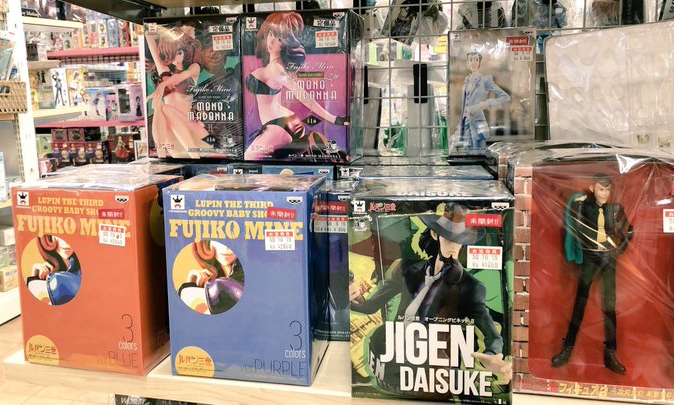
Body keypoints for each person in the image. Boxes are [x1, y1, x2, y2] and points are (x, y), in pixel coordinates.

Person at [350, 203, 512, 394]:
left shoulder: (470, 287)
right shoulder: (406, 268)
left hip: (434, 377)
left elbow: (491, 333)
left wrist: (493, 357)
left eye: (459, 241)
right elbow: (369, 306)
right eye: (449, 239)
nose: (454, 247)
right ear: (435, 235)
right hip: (394, 368)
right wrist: (355, 298)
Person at [551, 173, 633, 374]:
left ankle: (611, 354)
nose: (604, 193)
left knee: (609, 305)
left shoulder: (615, 209)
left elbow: (630, 231)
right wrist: (575, 202)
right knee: (580, 303)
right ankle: (567, 349)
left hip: (608, 258)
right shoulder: (584, 206)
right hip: (589, 257)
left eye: (607, 189)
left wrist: (617, 250)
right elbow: (571, 223)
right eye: (600, 189)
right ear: (592, 188)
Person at [245, 12, 348, 161]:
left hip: (278, 126)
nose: (271, 41)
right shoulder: (275, 67)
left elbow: (305, 98)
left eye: (279, 39)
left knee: (248, 158)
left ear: (286, 44)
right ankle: (313, 144)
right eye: (271, 34)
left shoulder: (277, 69)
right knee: (278, 162)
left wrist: (335, 119)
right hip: (287, 122)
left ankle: (316, 144)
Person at [145, 26, 218, 159]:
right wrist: (165, 32)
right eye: (170, 54)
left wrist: (162, 86)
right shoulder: (164, 71)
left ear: (185, 51)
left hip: (195, 134)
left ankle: (189, 156)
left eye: (178, 52)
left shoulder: (194, 68)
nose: (175, 58)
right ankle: (161, 153)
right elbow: (148, 35)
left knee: (164, 107)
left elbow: (179, 78)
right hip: (174, 139)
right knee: (161, 107)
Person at [457, 52, 510, 150]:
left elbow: (506, 97)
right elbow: (464, 104)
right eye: (471, 60)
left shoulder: (485, 80)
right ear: (468, 62)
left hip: (478, 122)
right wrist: (461, 124)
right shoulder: (467, 81)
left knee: (480, 153)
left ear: (480, 62)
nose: (473, 62)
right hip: (466, 123)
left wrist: (484, 104)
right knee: (468, 154)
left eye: (476, 60)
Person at [178, 240, 244, 315]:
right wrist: (191, 283)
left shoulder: (220, 287)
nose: (226, 248)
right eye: (219, 241)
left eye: (233, 242)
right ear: (207, 243)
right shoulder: (214, 278)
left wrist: (188, 286)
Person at [28, 235, 81, 305]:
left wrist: (33, 279)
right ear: (48, 238)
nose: (66, 243)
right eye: (59, 236)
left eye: (70, 237)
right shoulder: (52, 269)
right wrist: (34, 273)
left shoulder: (58, 279)